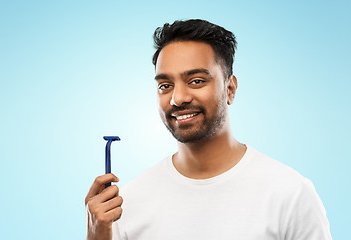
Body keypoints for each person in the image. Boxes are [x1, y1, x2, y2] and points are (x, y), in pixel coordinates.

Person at [85, 19, 332, 240]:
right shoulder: (125, 204)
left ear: (230, 89)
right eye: (165, 85)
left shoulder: (291, 194)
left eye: (196, 81)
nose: (178, 98)